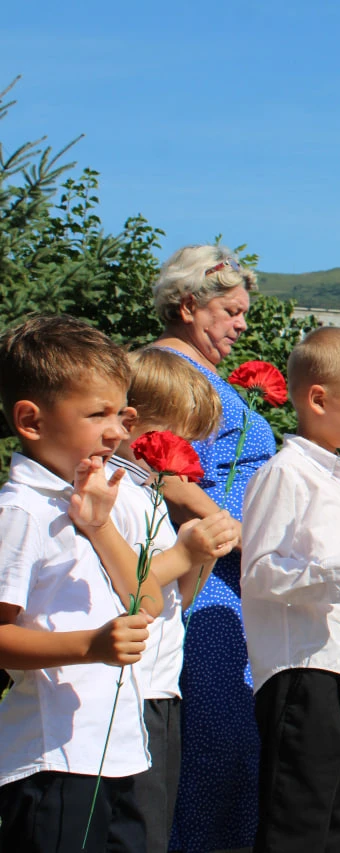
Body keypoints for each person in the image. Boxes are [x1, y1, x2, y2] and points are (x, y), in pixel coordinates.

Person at [0, 317, 158, 851]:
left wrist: (99, 526)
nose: (117, 430)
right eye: (98, 414)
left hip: (116, 752)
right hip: (52, 761)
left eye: (120, 412)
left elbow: (148, 601)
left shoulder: (88, 503)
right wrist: (88, 646)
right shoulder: (21, 511)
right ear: (31, 420)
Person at [240, 327, 340, 851]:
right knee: (299, 824)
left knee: (337, 822)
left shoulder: (337, 481)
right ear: (318, 399)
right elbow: (260, 572)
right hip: (303, 678)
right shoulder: (285, 474)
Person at [150, 243, 273, 851]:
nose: (242, 324)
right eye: (232, 310)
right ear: (191, 305)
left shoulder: (205, 375)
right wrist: (235, 533)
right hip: (203, 582)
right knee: (214, 754)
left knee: (234, 755)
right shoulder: (166, 371)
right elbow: (162, 470)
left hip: (233, 583)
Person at [113, 348, 239, 853]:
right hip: (130, 689)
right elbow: (136, 594)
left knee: (154, 826)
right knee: (133, 829)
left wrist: (203, 553)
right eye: (176, 437)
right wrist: (186, 551)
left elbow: (177, 602)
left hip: (162, 685)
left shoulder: (150, 500)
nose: (185, 454)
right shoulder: (116, 494)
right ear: (131, 424)